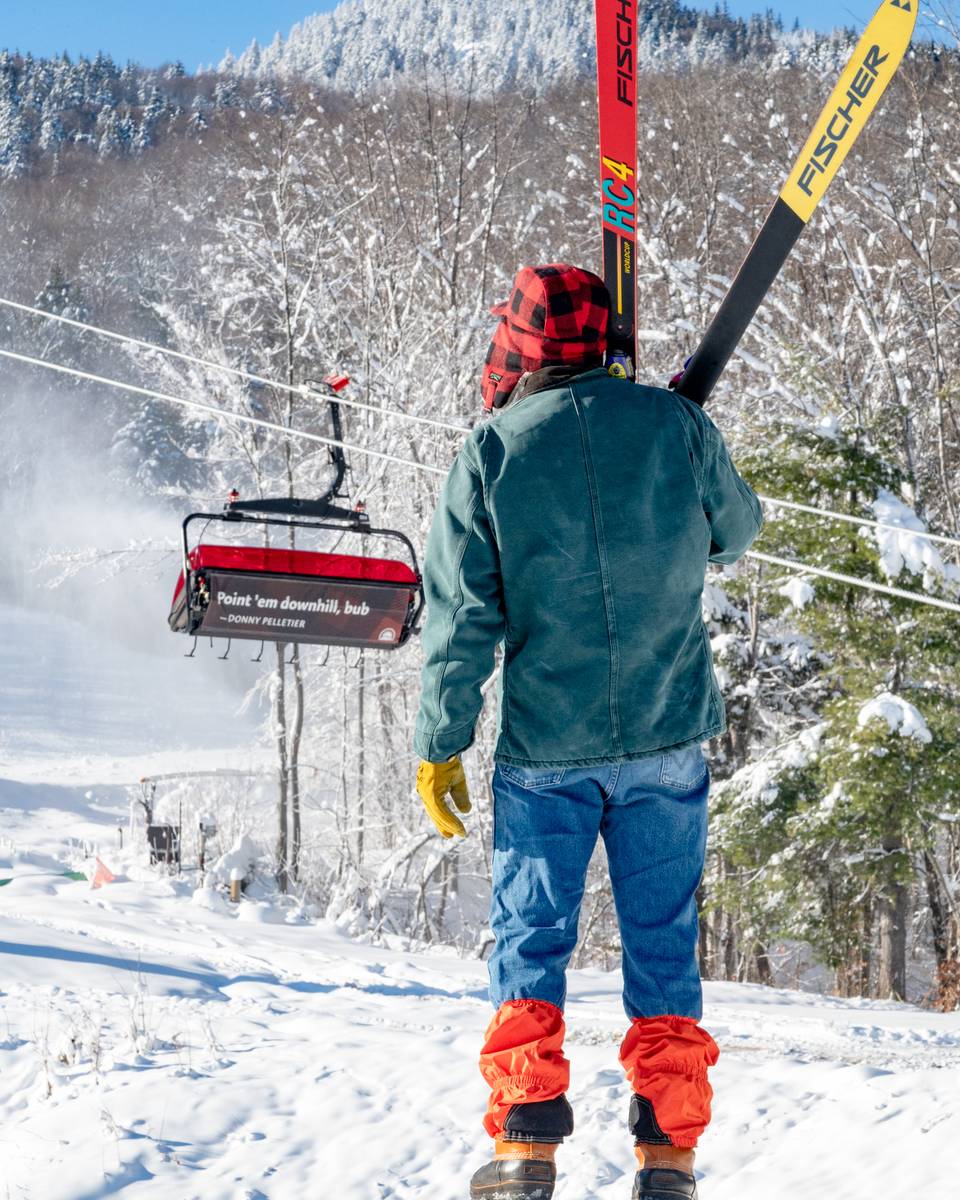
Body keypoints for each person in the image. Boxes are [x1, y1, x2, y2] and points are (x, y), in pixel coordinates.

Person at [414, 263, 763, 1200]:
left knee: (532, 934)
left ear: (521, 353)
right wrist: (676, 442)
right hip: (665, 737)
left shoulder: (489, 454)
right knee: (661, 938)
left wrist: (440, 742)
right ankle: (669, 1158)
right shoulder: (675, 427)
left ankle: (526, 1145)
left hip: (546, 755)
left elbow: (459, 623)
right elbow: (737, 530)